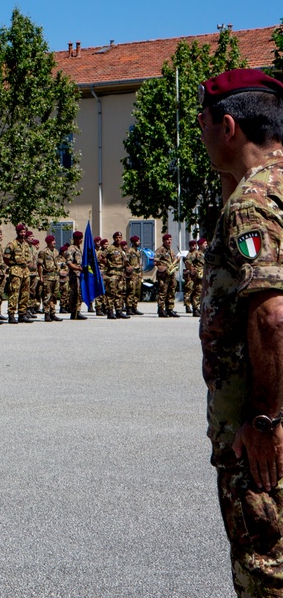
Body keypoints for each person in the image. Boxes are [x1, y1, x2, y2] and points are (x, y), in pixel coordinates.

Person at [195, 68, 283, 597]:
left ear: (228, 126)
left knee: (266, 570)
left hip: (264, 441)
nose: (201, 135)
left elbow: (272, 315)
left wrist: (263, 421)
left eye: (203, 122)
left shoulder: (253, 204)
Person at [154, 233, 179, 317]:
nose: (169, 241)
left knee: (171, 292)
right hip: (163, 275)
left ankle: (169, 309)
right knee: (163, 292)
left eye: (170, 239)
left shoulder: (171, 250)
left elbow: (173, 260)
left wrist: (177, 261)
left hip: (171, 274)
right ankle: (161, 310)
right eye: (167, 240)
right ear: (164, 241)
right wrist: (163, 268)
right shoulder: (160, 250)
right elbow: (155, 262)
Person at [66, 230, 87, 320]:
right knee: (75, 293)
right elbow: (69, 263)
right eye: (79, 238)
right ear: (74, 239)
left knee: (80, 293)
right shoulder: (71, 249)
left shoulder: (80, 249)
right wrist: (78, 268)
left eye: (81, 238)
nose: (81, 240)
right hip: (74, 274)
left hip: (80, 274)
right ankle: (74, 312)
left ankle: (78, 311)